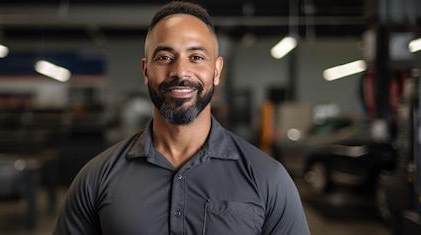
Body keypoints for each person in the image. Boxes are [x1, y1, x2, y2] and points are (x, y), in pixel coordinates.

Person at [52, 1, 310, 234]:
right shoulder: (96, 178)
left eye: (196, 57)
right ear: (146, 70)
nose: (180, 71)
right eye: (165, 57)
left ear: (217, 70)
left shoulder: (268, 178)